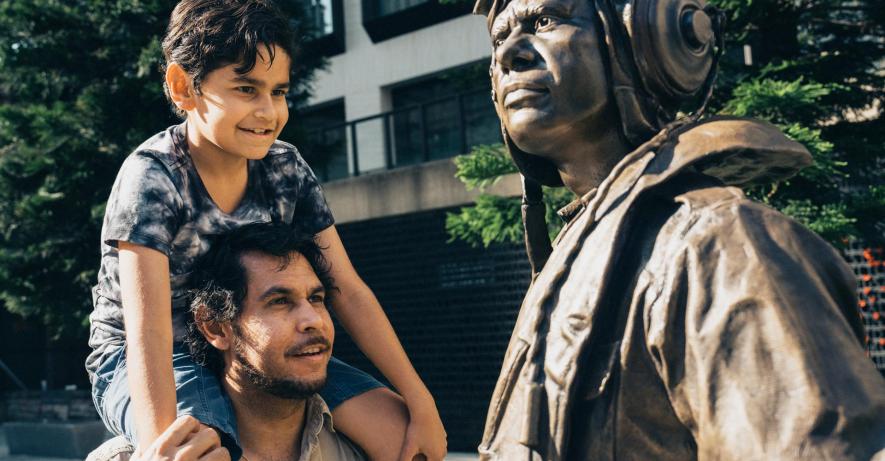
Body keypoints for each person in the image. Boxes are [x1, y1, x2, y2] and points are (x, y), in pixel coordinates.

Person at [472, 0, 885, 459]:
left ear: (643, 35)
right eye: (498, 40)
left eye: (545, 21)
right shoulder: (573, 254)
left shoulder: (718, 242)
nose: (511, 54)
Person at [86, 1, 446, 459]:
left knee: (406, 441)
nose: (267, 111)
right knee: (203, 453)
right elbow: (147, 331)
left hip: (249, 347)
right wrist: (163, 444)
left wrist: (421, 401)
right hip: (145, 356)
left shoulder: (285, 167)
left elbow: (347, 288)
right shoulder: (153, 177)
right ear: (183, 87)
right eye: (245, 88)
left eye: (278, 92)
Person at [89, 223, 367, 461]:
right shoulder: (132, 457)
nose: (314, 320)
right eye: (280, 301)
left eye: (316, 299)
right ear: (216, 328)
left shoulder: (378, 446)